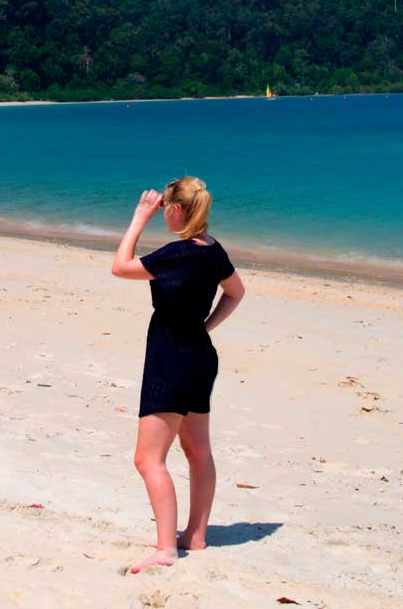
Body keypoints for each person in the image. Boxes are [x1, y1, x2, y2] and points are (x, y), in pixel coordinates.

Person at [110, 176, 246, 573]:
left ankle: (167, 548)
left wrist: (137, 218)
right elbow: (236, 292)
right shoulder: (212, 249)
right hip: (200, 356)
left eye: (163, 208)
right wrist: (206, 327)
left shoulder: (177, 253)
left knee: (148, 458)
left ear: (174, 209)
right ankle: (196, 536)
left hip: (170, 358)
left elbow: (120, 267)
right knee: (197, 450)